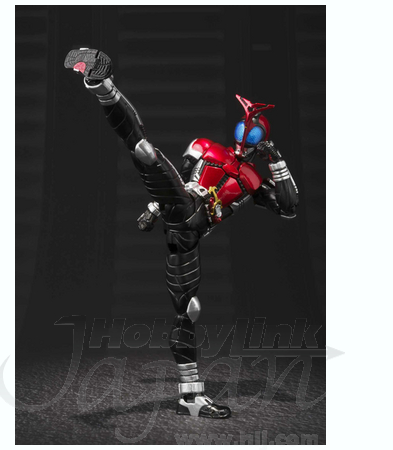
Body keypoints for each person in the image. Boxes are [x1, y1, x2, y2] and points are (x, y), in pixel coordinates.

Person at [65, 48, 299, 419]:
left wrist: (276, 159)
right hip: (182, 206)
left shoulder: (254, 180)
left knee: (188, 311)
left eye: (253, 132)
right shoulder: (206, 148)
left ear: (260, 138)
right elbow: (179, 179)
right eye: (243, 129)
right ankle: (102, 84)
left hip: (189, 236)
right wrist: (157, 206)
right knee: (146, 152)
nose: (245, 136)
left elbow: (287, 207)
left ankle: (190, 398)